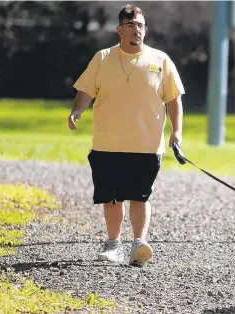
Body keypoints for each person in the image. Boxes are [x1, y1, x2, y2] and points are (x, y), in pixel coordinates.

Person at [67, 4, 185, 267]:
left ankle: (139, 243)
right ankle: (113, 245)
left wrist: (176, 131)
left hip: (147, 145)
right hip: (108, 142)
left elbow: (174, 99)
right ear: (119, 30)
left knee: (140, 196)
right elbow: (86, 90)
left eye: (140, 26)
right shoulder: (103, 58)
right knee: (111, 196)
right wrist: (77, 112)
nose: (137, 31)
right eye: (131, 26)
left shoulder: (160, 60)